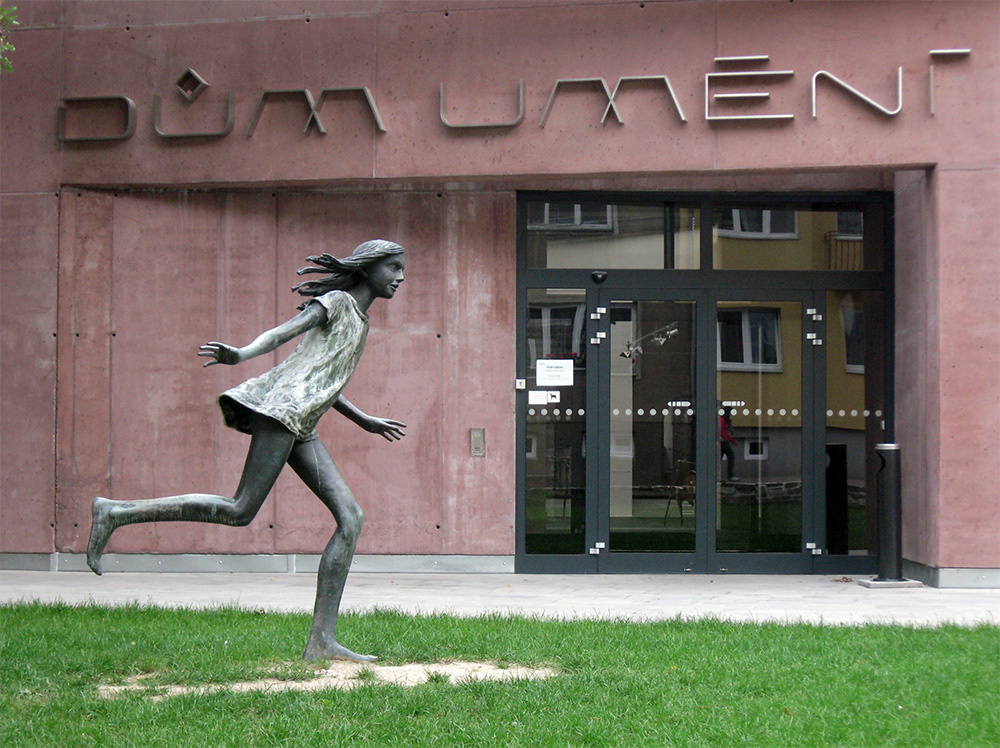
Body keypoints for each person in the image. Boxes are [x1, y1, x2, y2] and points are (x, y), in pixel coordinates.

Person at [86, 239, 407, 662]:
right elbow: (282, 334)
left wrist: (363, 419)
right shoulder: (336, 303)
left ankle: (322, 642)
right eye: (393, 267)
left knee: (351, 519)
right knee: (240, 510)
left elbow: (322, 377)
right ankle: (116, 513)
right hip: (282, 413)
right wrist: (240, 354)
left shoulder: (361, 321)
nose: (400, 277)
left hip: (302, 422)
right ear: (367, 268)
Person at [719, 406, 738, 482]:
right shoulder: (722, 420)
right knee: (731, 456)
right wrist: (731, 439)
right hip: (723, 442)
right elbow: (722, 431)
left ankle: (719, 476)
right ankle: (730, 476)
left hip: (724, 441)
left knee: (720, 459)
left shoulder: (724, 420)